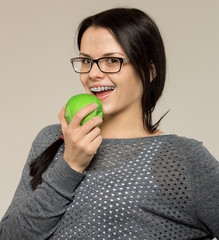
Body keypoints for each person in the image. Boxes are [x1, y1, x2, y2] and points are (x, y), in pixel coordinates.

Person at [0, 7, 218, 240]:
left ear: (150, 70)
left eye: (112, 60)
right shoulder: (52, 138)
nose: (93, 73)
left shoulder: (178, 157)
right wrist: (70, 164)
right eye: (86, 61)